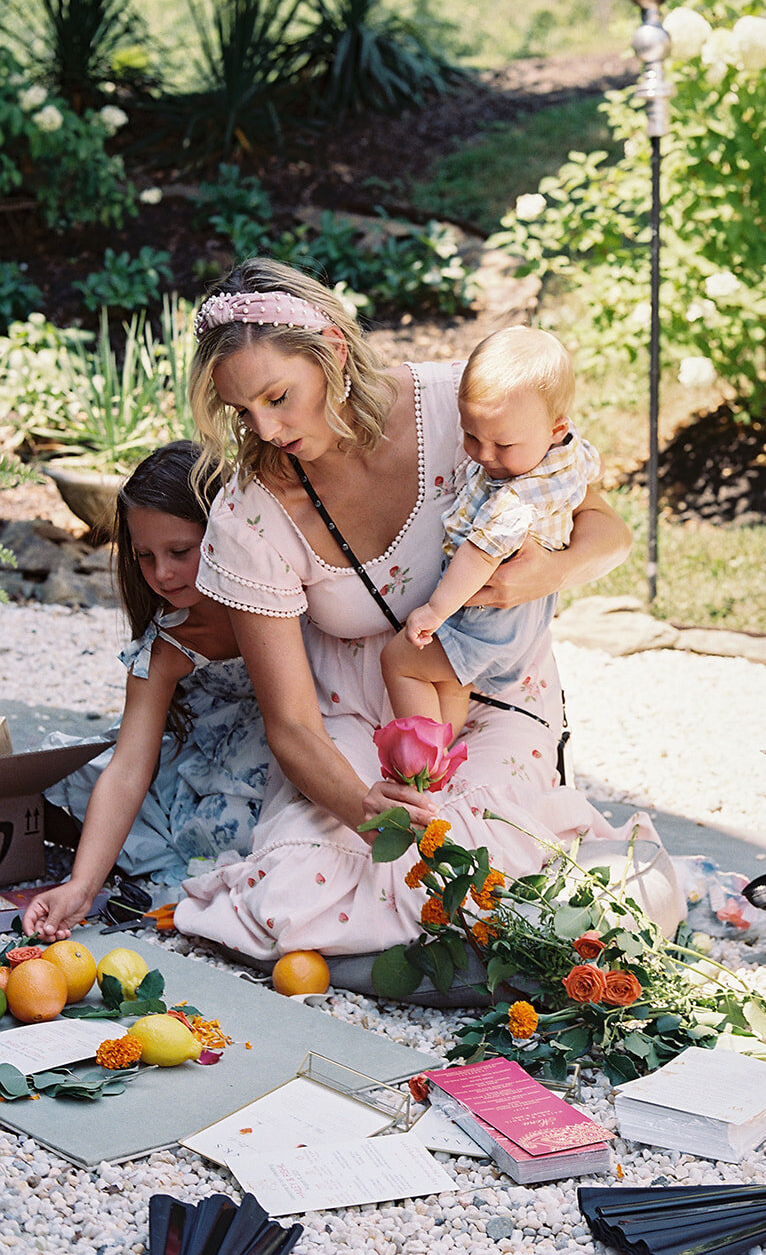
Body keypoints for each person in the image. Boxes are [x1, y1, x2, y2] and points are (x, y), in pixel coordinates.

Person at [172, 258, 673, 960]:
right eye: (242, 411)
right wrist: (363, 808)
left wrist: (547, 573)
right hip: (349, 724)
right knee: (300, 888)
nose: (265, 427)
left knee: (483, 855)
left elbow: (608, 532)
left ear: (333, 355)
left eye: (279, 396)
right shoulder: (251, 510)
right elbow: (291, 724)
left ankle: (424, 947)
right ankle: (449, 950)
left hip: (492, 702)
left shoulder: (461, 412)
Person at [26, 442, 269, 941]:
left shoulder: (278, 599)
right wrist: (79, 886)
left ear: (224, 531)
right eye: (144, 556)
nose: (162, 574)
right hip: (210, 761)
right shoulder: (167, 643)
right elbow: (129, 766)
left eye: (180, 552)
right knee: (102, 789)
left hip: (288, 746)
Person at [380, 325, 600, 734]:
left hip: (485, 621)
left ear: (555, 427)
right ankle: (442, 758)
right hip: (521, 623)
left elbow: (480, 554)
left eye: (503, 445)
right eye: (471, 435)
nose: (484, 454)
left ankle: (416, 764)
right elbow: (590, 468)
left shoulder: (514, 501)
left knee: (400, 661)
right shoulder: (568, 452)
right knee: (448, 683)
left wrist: (435, 610)